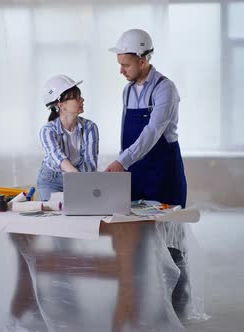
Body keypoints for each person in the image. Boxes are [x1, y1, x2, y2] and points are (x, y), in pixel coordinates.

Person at [106, 29, 190, 317]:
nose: (121, 70)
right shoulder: (127, 91)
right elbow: (127, 136)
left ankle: (176, 310)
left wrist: (122, 161)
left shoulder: (165, 89)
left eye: (126, 64)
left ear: (143, 60)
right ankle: (140, 305)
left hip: (163, 173)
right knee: (134, 242)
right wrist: (124, 165)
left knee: (171, 245)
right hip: (135, 175)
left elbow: (152, 132)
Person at [37, 75, 99, 201]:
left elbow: (90, 163)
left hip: (79, 177)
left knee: (80, 213)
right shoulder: (47, 131)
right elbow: (59, 159)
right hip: (51, 181)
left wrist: (85, 185)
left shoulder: (90, 127)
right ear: (61, 105)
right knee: (54, 216)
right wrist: (81, 181)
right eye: (77, 98)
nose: (82, 100)